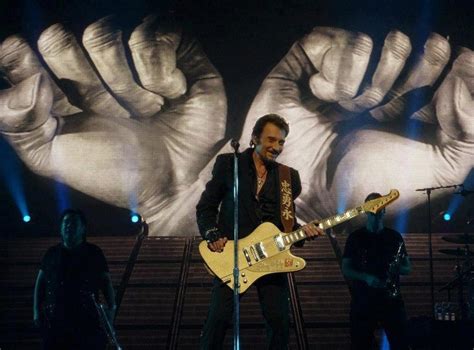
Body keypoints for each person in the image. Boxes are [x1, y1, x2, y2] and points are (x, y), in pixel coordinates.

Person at [196, 114, 324, 349]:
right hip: (233, 257)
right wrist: (212, 233)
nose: (276, 147)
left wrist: (303, 231)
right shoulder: (228, 164)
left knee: (279, 323)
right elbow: (206, 207)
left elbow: (286, 224)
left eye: (281, 142)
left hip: (272, 258)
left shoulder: (289, 177)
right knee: (218, 320)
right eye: (271, 140)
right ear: (255, 138)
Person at [33, 209, 116, 350]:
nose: (69, 226)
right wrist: (36, 312)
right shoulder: (51, 253)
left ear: (83, 228)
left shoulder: (94, 252)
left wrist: (111, 310)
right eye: (65, 222)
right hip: (56, 322)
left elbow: (106, 283)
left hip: (86, 321)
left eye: (74, 223)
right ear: (60, 228)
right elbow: (40, 283)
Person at [342, 192, 412, 350]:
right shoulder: (355, 237)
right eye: (372, 205)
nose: (376, 208)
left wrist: (397, 268)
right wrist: (365, 277)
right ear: (365, 210)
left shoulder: (395, 237)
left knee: (401, 343)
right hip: (364, 300)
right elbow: (346, 268)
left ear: (385, 209)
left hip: (391, 300)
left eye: (380, 205)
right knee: (360, 343)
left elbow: (408, 268)